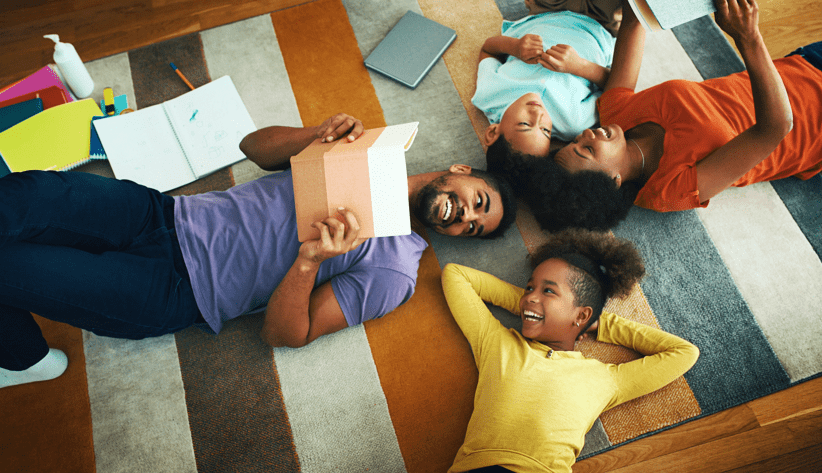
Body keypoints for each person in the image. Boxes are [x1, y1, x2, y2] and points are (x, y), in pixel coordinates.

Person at [0, 114, 517, 389]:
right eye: (478, 203)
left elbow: (285, 335)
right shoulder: (372, 151)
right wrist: (316, 135)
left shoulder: (395, 271)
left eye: (473, 228)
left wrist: (309, 261)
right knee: (25, 194)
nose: (465, 216)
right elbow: (253, 146)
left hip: (176, 291)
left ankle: (25, 359)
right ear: (461, 171)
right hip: (162, 214)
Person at [503, 0, 822, 232]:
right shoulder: (671, 189)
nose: (587, 134)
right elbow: (776, 127)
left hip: (801, 66)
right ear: (612, 182)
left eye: (576, 140)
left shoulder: (615, 115)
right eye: (587, 150)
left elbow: (633, 20)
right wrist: (748, 38)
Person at [441, 229, 699, 472]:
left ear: (582, 314)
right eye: (530, 288)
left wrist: (601, 324)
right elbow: (455, 275)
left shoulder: (605, 379)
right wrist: (530, 306)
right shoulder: (498, 343)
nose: (530, 295)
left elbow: (683, 352)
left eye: (549, 291)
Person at [475, 0, 618, 160]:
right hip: (599, 24)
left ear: (494, 131)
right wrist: (579, 66)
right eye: (545, 130)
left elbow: (488, 49)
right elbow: (614, 87)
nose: (538, 115)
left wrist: (514, 47)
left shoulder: (489, 96)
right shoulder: (572, 124)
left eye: (525, 124)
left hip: (546, 11)